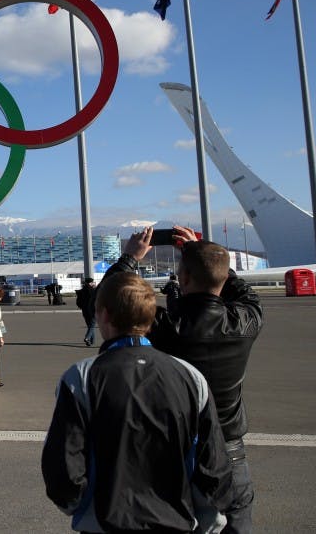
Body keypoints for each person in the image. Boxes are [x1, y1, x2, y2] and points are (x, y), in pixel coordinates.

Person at [42, 272, 232, 533]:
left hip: (105, 521)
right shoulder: (190, 376)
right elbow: (213, 464)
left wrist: (80, 506)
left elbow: (63, 462)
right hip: (177, 521)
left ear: (104, 315)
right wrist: (208, 519)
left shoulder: (82, 377)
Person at [104, 225, 262, 533]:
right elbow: (242, 292)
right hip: (229, 447)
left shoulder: (167, 326)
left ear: (184, 279)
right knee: (238, 520)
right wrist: (202, 256)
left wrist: (130, 258)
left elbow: (111, 302)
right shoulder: (247, 319)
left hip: (177, 450)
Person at [75, 277, 96, 346]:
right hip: (92, 310)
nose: (93, 283)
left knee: (89, 325)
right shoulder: (93, 291)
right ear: (90, 283)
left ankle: (91, 341)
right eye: (92, 282)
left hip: (84, 310)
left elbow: (78, 302)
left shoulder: (81, 291)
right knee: (92, 325)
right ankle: (87, 337)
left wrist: (82, 307)